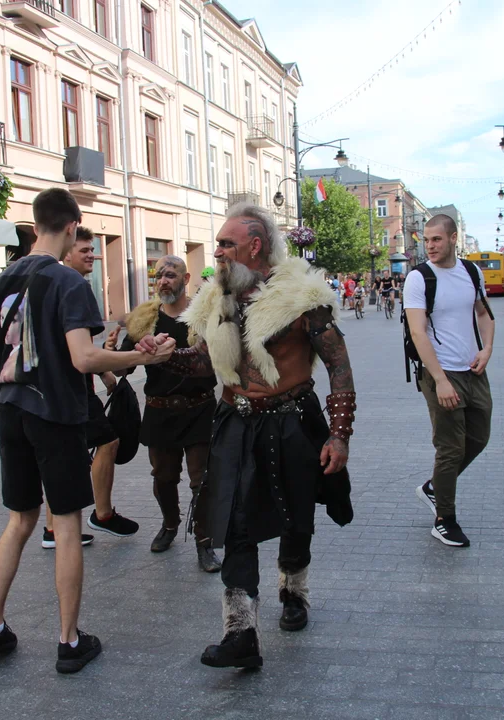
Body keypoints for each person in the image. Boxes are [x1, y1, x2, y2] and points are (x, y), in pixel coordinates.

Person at [0, 188, 175, 674]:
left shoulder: (0, 281)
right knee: (66, 525)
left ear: (36, 223)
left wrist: (20, 367)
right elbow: (84, 357)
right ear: (71, 226)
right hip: (54, 415)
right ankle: (68, 640)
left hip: (11, 412)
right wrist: (142, 357)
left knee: (19, 520)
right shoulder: (67, 282)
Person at [137, 203, 355, 670]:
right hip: (234, 421)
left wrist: (339, 436)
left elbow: (338, 365)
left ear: (254, 247)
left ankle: (293, 590)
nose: (216, 252)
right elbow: (207, 363)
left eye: (225, 244)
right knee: (233, 521)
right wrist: (164, 356)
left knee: (295, 516)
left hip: (291, 421)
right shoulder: (217, 299)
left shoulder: (301, 297)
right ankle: (240, 632)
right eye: (217, 244)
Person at [114, 254, 221, 572]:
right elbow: (125, 364)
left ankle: (205, 543)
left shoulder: (202, 316)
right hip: (160, 411)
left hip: (199, 408)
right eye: (158, 275)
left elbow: (217, 360)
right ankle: (171, 524)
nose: (163, 280)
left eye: (170, 275)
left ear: (186, 279)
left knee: (202, 480)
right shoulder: (143, 319)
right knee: (163, 478)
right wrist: (118, 350)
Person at [39, 227, 139, 550]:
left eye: (93, 250)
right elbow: (78, 354)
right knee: (107, 441)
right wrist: (126, 358)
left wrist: (106, 370)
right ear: (67, 250)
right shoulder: (73, 285)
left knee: (63, 452)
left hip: (55, 387)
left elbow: (73, 343)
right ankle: (103, 513)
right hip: (70, 389)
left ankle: (53, 528)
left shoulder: (49, 283)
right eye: (84, 250)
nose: (92, 255)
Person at [404, 215, 495, 549]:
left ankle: (434, 488)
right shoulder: (418, 278)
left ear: (454, 238)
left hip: (474, 369)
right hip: (439, 373)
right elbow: (418, 331)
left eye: (437, 239)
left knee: (479, 437)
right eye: (426, 240)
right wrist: (440, 379)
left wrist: (487, 349)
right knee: (450, 447)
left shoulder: (471, 272)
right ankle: (444, 519)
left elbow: (483, 313)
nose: (429, 246)